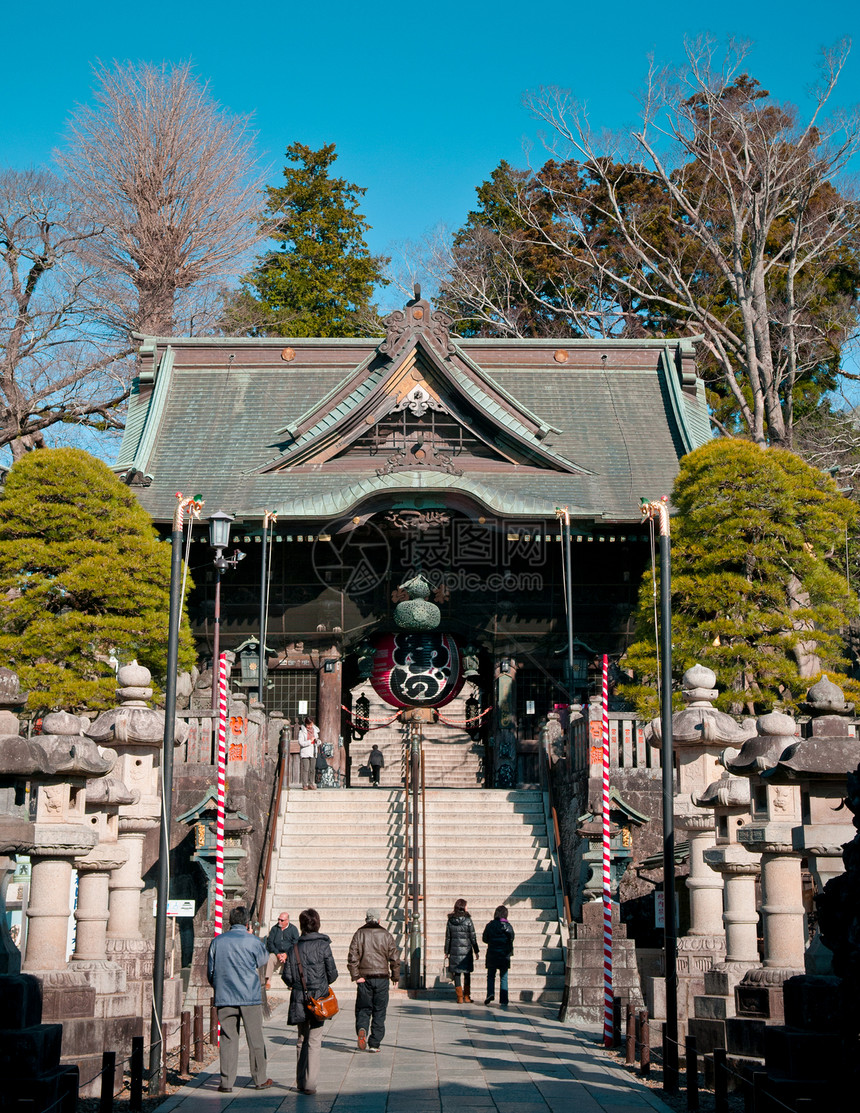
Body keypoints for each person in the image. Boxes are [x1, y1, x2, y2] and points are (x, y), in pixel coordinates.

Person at [206, 905, 273, 1092]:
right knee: (255, 1038)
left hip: (225, 995)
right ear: (247, 923)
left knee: (228, 1038)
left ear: (230, 922)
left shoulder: (217, 942)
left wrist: (217, 986)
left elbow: (210, 972)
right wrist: (251, 935)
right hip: (249, 995)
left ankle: (226, 1082)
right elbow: (263, 960)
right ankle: (259, 1078)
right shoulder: (252, 941)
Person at [281, 907, 338, 1096]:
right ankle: (310, 1083)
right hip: (318, 998)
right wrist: (321, 982)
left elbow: (287, 976)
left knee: (301, 1039)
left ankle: (300, 1080)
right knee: (314, 1040)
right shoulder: (323, 946)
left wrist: (297, 985)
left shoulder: (294, 947)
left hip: (299, 996)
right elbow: (333, 973)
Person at [347, 908, 400, 1052]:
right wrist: (395, 976)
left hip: (365, 978)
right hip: (382, 978)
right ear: (379, 920)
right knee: (379, 1011)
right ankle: (374, 1043)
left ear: (366, 919)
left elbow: (353, 957)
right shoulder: (386, 934)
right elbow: (394, 958)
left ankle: (362, 1028)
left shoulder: (359, 934)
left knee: (363, 1009)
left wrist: (356, 976)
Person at [444, 897, 478, 1004]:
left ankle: (459, 997)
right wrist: (476, 950)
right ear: (463, 907)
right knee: (467, 974)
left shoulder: (450, 920)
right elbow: (473, 937)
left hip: (454, 951)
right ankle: (467, 996)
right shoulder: (468, 921)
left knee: (457, 974)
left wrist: (446, 951)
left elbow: (448, 937)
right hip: (466, 951)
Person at [482, 905, 515, 1006]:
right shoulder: (508, 926)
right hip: (504, 954)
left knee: (491, 975)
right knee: (503, 977)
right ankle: (504, 999)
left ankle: (490, 993)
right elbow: (512, 938)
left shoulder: (490, 925)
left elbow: (484, 939)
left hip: (492, 953)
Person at [263, 910, 299, 988]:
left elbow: (295, 944)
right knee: (270, 957)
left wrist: (286, 954)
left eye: (282, 920)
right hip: (277, 953)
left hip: (289, 953)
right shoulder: (274, 929)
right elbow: (270, 943)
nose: (279, 921)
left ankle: (291, 982)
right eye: (278, 919)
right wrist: (277, 954)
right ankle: (268, 980)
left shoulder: (293, 929)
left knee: (294, 958)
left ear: (287, 920)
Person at [298, 717, 318, 790]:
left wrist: (317, 741)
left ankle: (311, 783)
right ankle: (304, 784)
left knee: (312, 769)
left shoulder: (315, 731)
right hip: (305, 752)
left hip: (313, 751)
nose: (310, 726)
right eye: (308, 725)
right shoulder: (302, 732)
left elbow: (317, 740)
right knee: (306, 769)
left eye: (311, 724)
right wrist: (310, 741)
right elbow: (301, 742)